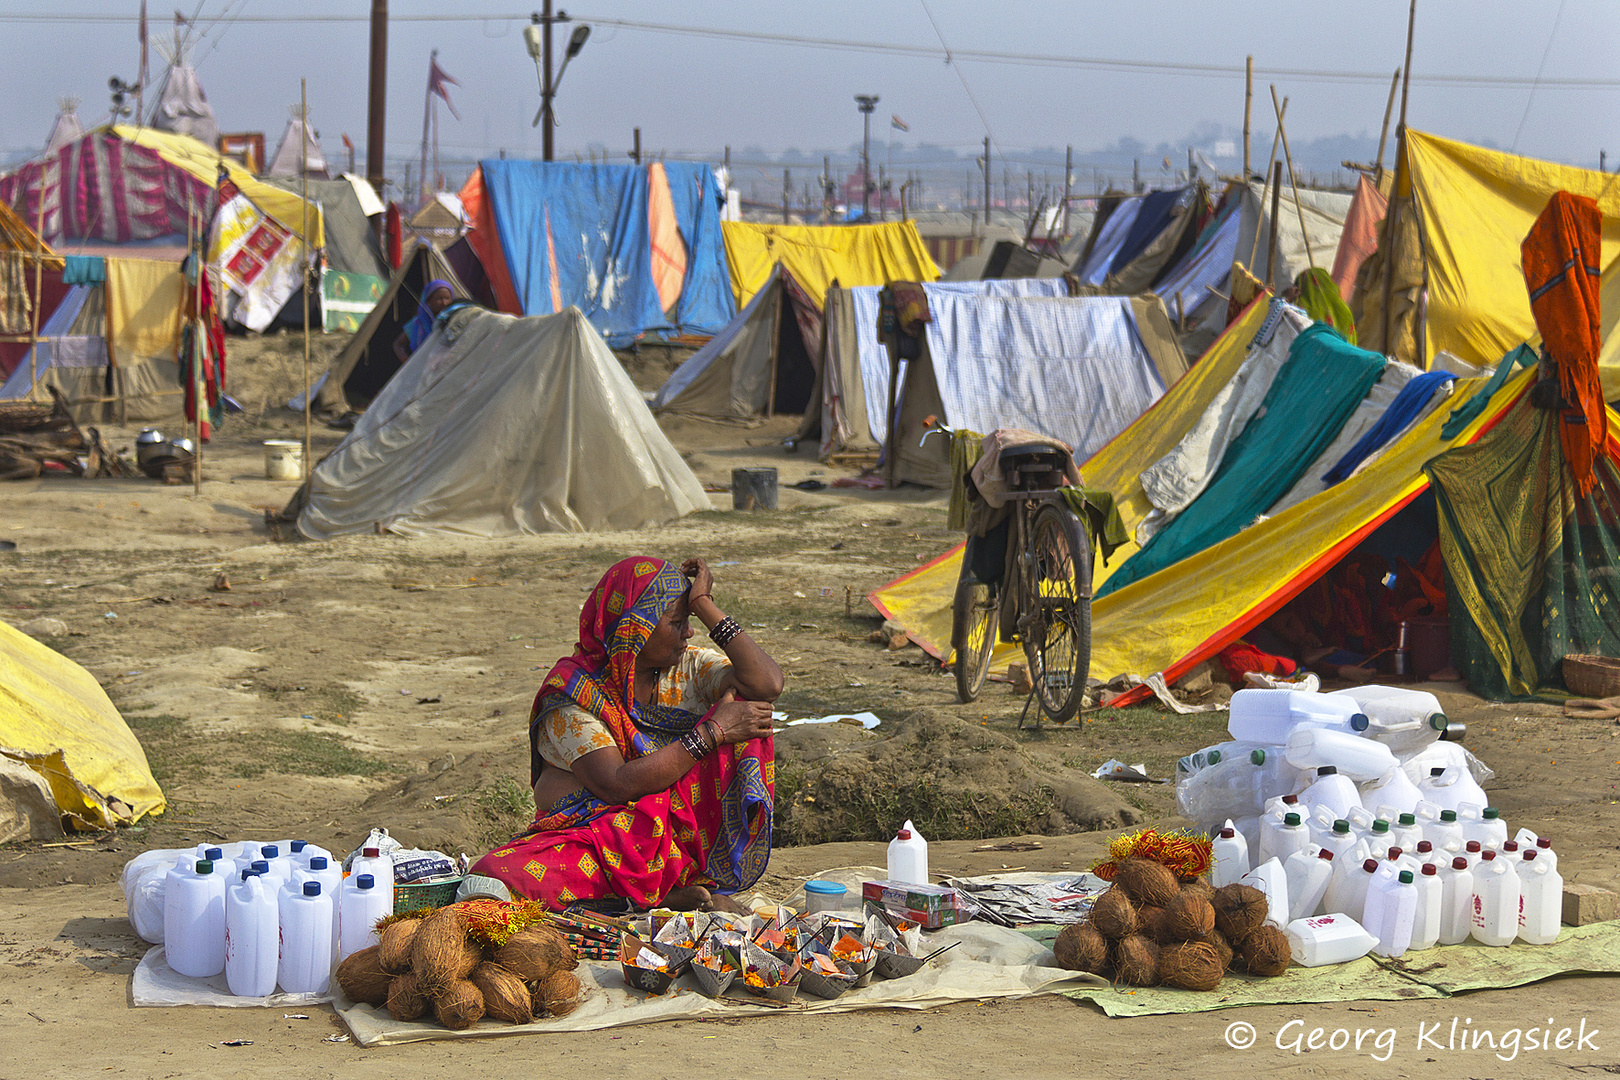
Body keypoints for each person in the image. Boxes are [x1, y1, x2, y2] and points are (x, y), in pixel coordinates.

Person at [468, 556, 781, 912]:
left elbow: (767, 684)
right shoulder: (574, 693)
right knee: (495, 876)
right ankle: (653, 892)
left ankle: (665, 884)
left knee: (747, 712)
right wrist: (711, 732)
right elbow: (616, 784)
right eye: (677, 623)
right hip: (604, 832)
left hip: (671, 832)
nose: (688, 633)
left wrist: (704, 605)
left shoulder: (686, 666)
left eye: (689, 621)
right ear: (635, 629)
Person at [392, 279, 458, 364]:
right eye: (439, 299)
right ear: (428, 301)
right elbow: (397, 344)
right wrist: (407, 362)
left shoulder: (455, 319)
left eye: (447, 298)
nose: (444, 303)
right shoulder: (418, 323)